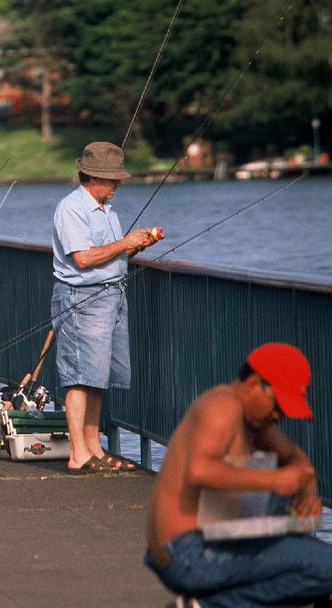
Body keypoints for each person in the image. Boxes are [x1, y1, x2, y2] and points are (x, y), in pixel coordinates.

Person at [144, 343, 332, 607]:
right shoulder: (222, 407)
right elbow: (200, 469)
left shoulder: (253, 419)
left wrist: (307, 494)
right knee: (324, 568)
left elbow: (297, 461)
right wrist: (275, 480)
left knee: (308, 578)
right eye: (278, 406)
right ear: (254, 383)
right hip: (187, 552)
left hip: (196, 546)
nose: (279, 416)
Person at [51, 141, 161, 474]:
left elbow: (109, 254)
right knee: (79, 377)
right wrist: (125, 242)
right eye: (113, 179)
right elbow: (83, 258)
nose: (118, 185)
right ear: (94, 177)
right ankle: (77, 454)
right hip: (82, 298)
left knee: (98, 377)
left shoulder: (106, 209)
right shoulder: (72, 209)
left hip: (111, 296)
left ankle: (93, 448)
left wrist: (135, 246)